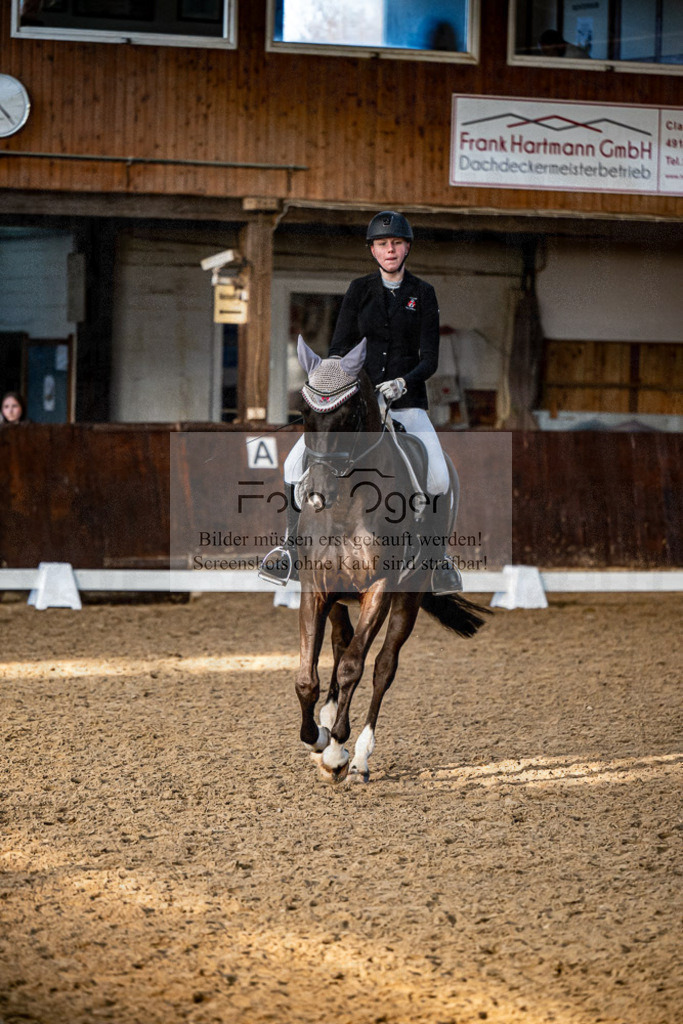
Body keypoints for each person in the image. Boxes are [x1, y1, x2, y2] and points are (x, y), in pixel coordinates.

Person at [260, 211, 462, 594]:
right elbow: (338, 347)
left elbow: (430, 358)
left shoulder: (424, 293)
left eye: (397, 243)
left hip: (406, 403)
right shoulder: (358, 290)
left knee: (437, 474)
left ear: (406, 248)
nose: (390, 249)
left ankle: (438, 560)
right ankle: (288, 549)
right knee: (291, 464)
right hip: (356, 403)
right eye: (383, 244)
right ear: (373, 250)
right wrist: (335, 381)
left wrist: (403, 382)